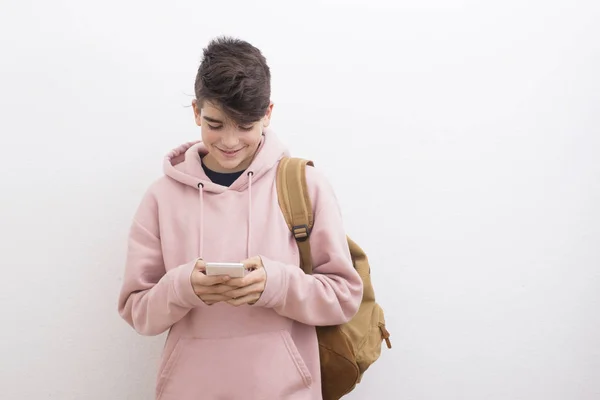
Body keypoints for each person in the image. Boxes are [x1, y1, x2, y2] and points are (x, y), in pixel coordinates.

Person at [117, 36, 363, 400]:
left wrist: (276, 285)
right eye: (215, 124)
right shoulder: (161, 197)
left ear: (268, 113)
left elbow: (344, 297)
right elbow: (137, 311)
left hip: (285, 391)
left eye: (245, 126)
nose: (230, 141)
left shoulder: (303, 184)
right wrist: (184, 287)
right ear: (196, 112)